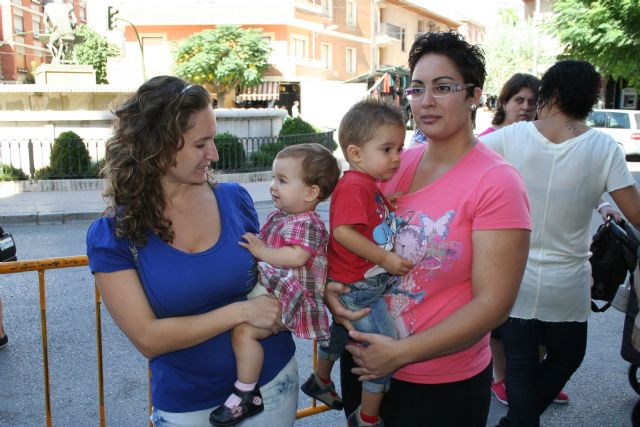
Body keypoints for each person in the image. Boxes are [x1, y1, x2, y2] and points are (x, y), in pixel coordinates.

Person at [324, 31, 532, 427]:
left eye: (443, 87)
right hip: (366, 362)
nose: (426, 101)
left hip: (440, 384)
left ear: (474, 95)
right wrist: (332, 292)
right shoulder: (390, 163)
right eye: (417, 89)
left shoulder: (497, 182)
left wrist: (400, 353)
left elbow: (494, 304)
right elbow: (345, 237)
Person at [85, 76, 298, 427]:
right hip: (188, 406)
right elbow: (148, 338)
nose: (213, 154)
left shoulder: (234, 199)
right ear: (160, 147)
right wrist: (240, 312)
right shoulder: (112, 235)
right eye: (201, 144)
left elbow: (273, 275)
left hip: (271, 384)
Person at [480, 59, 640, 427]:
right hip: (566, 282)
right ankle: (519, 421)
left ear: (548, 93)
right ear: (588, 100)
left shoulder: (508, 138)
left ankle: (517, 421)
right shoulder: (603, 147)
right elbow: (635, 212)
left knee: (519, 367)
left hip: (513, 277)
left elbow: (461, 168)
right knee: (568, 356)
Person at [300, 98, 413, 427]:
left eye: (400, 149)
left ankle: (320, 380)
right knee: (385, 349)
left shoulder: (368, 185)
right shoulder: (354, 185)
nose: (396, 158)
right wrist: (385, 259)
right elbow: (344, 233)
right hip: (361, 288)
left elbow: (364, 222)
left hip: (352, 283)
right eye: (388, 149)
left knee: (337, 333)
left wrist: (384, 203)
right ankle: (367, 417)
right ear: (356, 153)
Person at [209, 143, 340, 426]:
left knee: (244, 333)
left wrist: (261, 252)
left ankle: (246, 393)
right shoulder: (286, 216)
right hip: (278, 288)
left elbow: (297, 256)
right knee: (239, 322)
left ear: (310, 192)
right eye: (273, 178)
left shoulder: (308, 222)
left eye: (282, 180)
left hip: (290, 295)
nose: (272, 187)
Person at [478, 73, 540, 137]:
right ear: (504, 104)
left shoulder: (540, 139)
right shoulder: (486, 139)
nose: (526, 107)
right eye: (519, 101)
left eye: (532, 102)